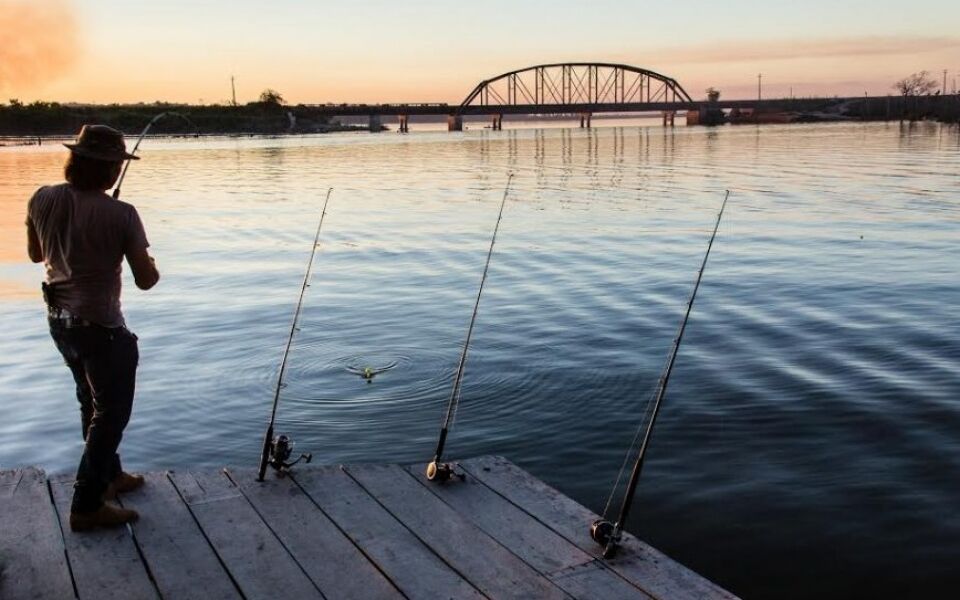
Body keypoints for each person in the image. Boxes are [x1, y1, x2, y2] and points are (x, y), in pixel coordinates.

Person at [26, 124, 160, 531]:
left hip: (60, 324)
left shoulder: (41, 198)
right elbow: (146, 280)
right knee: (111, 414)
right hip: (102, 328)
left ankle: (109, 478)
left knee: (90, 401)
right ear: (110, 171)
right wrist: (140, 254)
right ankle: (86, 504)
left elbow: (36, 255)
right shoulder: (122, 214)